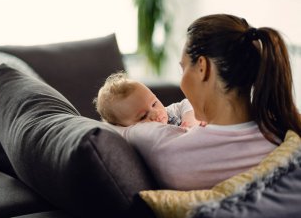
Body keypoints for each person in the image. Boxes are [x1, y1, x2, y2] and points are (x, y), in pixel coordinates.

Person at [114, 14, 301, 190]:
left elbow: (110, 129)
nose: (182, 82)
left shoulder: (166, 148)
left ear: (203, 68)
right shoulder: (285, 132)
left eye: (183, 68)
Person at [94, 71, 200, 128]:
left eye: (154, 103)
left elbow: (187, 103)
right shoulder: (142, 139)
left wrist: (189, 119)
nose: (155, 113)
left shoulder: (168, 113)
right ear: (123, 126)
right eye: (143, 116)